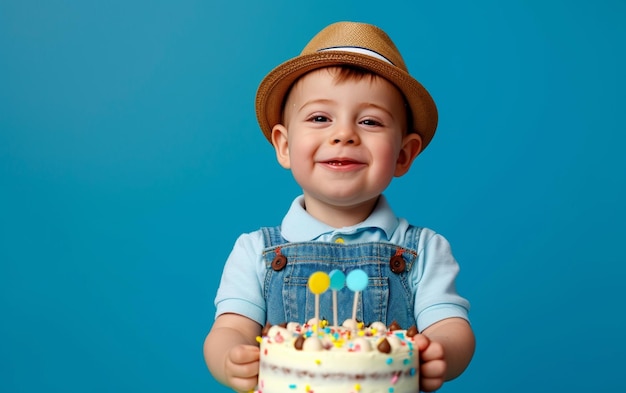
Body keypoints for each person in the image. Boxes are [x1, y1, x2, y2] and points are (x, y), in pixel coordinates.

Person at [204, 21, 475, 392]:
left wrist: (440, 352)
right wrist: (229, 358)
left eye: (369, 121)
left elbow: (450, 325)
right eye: (320, 118)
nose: (343, 134)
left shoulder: (424, 250)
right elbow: (229, 328)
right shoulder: (256, 251)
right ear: (283, 145)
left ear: (402, 155)